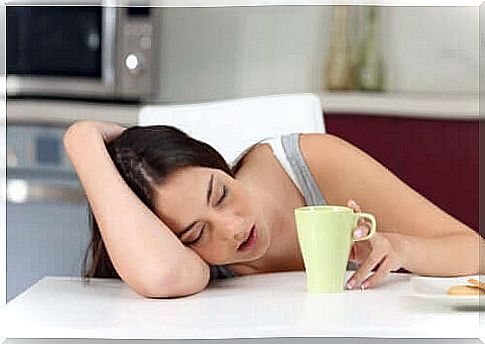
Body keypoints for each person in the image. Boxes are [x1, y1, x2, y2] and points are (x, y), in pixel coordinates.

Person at [63, 120, 482, 298]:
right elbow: (162, 274)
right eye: (196, 235)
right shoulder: (178, 262)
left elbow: (474, 250)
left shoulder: (314, 162)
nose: (230, 228)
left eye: (221, 193)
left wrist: (401, 249)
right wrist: (82, 141)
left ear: (217, 162)